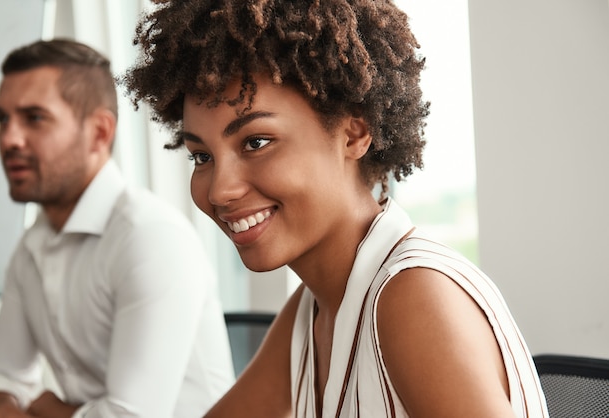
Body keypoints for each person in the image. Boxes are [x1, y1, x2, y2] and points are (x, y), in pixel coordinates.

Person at [123, 1, 549, 417]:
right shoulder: (314, 307)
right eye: (202, 157)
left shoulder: (412, 296)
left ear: (354, 133)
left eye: (256, 142)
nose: (220, 190)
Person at [0, 38, 235, 418]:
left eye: (35, 118)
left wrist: (45, 405)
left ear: (100, 132)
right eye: (3, 119)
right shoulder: (33, 245)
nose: (9, 139)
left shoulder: (150, 237)